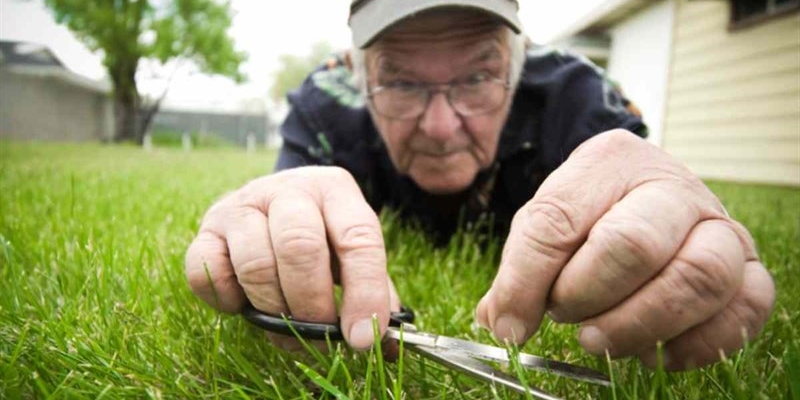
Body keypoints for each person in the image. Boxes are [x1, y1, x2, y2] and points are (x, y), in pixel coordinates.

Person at [185, 0, 775, 371]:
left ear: (518, 66)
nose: (441, 128)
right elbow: (283, 198)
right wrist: (268, 220)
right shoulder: (324, 101)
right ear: (359, 78)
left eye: (477, 77)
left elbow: (644, 184)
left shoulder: (578, 97)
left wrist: (679, 226)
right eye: (402, 84)